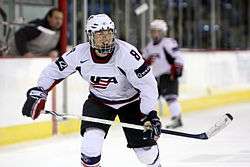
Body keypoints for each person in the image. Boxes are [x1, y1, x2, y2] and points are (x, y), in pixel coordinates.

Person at [21, 14, 162, 167]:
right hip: (99, 101)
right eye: (99, 34)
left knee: (146, 154)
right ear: (90, 36)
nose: (105, 38)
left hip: (132, 102)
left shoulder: (127, 54)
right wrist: (39, 91)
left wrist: (149, 114)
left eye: (108, 33)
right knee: (90, 146)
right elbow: (53, 71)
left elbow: (148, 85)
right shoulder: (80, 53)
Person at [142, 19, 184, 129]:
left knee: (171, 97)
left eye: (158, 31)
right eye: (153, 31)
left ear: (163, 32)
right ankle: (148, 119)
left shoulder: (168, 43)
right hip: (155, 77)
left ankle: (177, 118)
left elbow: (178, 57)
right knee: (150, 98)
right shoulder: (149, 46)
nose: (155, 34)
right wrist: (146, 62)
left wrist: (176, 71)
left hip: (168, 75)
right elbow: (142, 61)